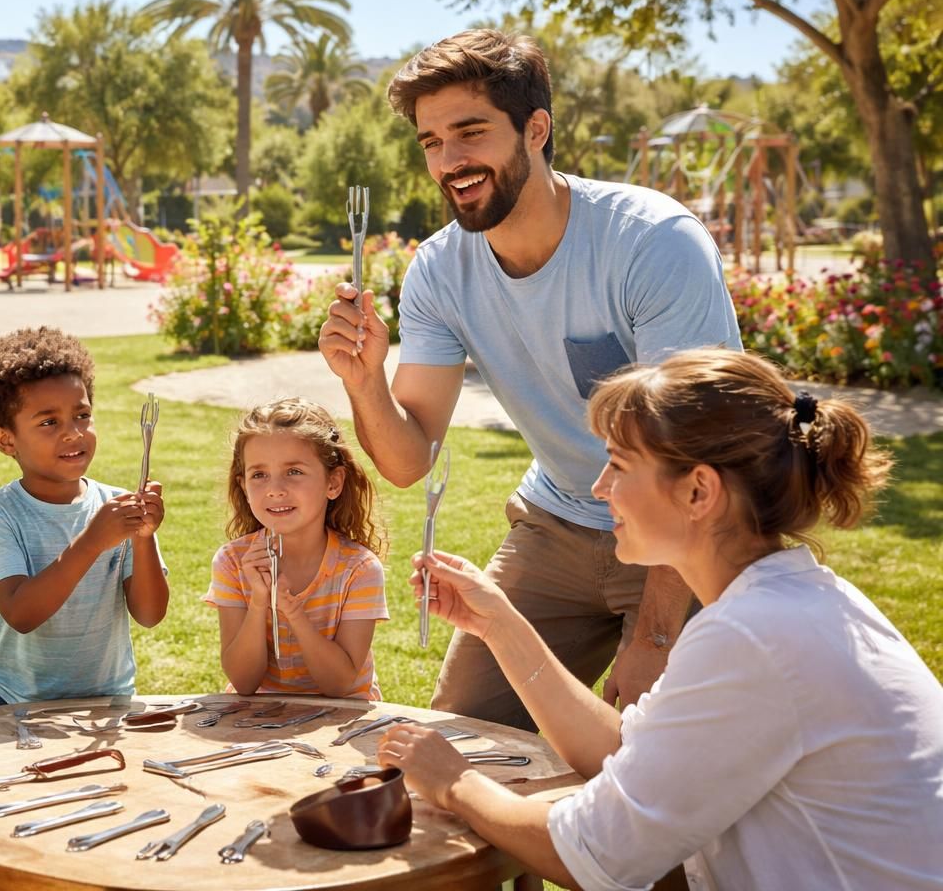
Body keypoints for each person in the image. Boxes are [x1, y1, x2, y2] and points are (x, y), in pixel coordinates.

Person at [378, 348, 943, 890]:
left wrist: (454, 781)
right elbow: (625, 753)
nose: (600, 489)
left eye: (618, 465)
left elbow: (596, 857)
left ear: (698, 491)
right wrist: (498, 623)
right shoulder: (783, 605)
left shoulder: (752, 635)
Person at [319, 29, 741, 728]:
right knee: (464, 730)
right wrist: (363, 382)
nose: (450, 161)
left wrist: (656, 636)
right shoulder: (439, 271)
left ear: (536, 130)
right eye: (431, 142)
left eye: (471, 133)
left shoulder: (651, 242)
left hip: (686, 525)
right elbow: (407, 460)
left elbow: (694, 449)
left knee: (665, 751)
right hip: (560, 520)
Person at [0, 327, 169, 716]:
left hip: (104, 699)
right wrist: (92, 541)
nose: (73, 433)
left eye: (82, 415)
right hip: (9, 696)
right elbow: (22, 614)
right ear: (6, 440)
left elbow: (149, 614)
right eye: (48, 422)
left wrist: (143, 539)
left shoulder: (115, 507)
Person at [204, 398, 389, 699]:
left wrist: (292, 611)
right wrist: (259, 602)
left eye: (294, 472)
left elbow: (339, 685)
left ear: (333, 483)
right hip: (260, 712)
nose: (275, 489)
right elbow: (244, 682)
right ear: (244, 486)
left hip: (345, 713)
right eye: (259, 475)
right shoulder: (232, 562)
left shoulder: (359, 568)